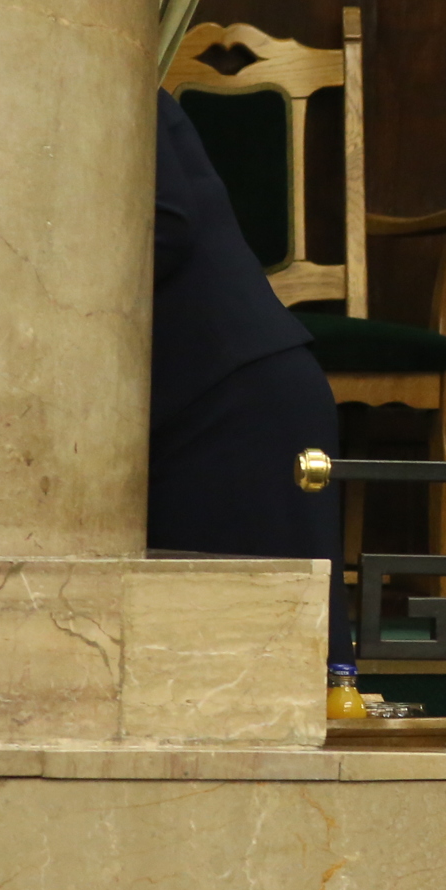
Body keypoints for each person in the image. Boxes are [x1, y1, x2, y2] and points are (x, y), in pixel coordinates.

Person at [149, 89, 347, 656]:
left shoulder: (90, 65)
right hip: (191, 399)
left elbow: (163, 223)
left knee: (270, 675)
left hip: (228, 403)